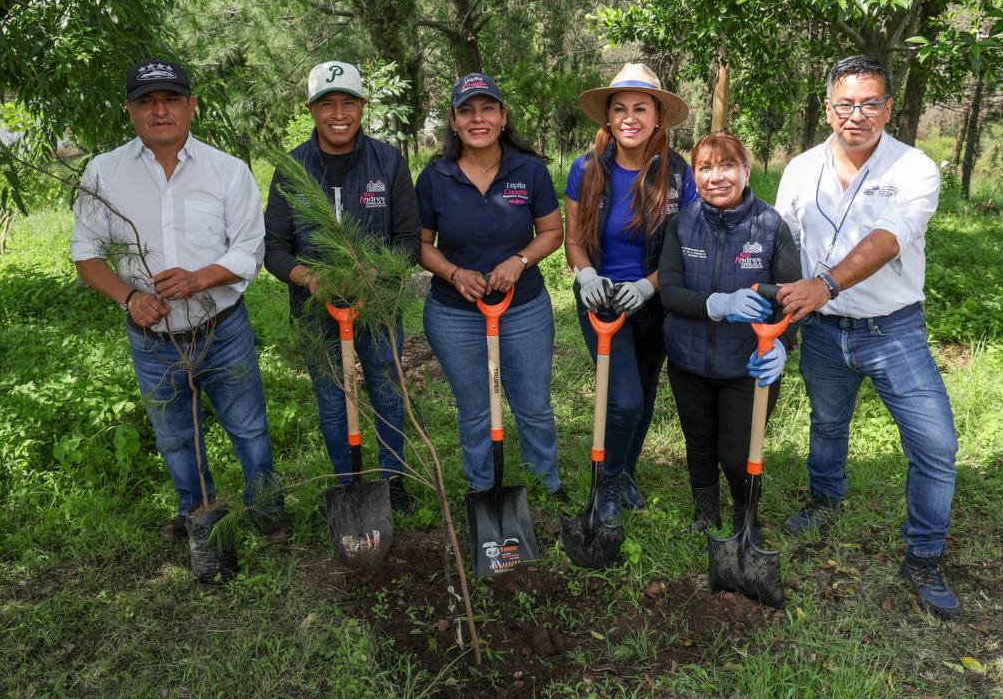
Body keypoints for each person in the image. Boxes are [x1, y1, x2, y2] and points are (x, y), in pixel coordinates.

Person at [775, 54, 961, 619]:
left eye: (870, 103)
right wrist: (777, 315)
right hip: (823, 330)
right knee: (827, 422)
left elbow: (890, 236)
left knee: (936, 446)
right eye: (845, 104)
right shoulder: (800, 168)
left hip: (893, 329)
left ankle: (924, 554)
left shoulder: (914, 168)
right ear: (826, 106)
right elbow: (783, 241)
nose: (856, 115)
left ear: (888, 108)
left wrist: (825, 284)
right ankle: (824, 500)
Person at [70, 59, 286, 543]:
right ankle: (196, 509)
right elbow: (85, 253)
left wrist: (199, 279)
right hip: (152, 339)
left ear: (191, 106)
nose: (160, 110)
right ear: (130, 111)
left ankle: (266, 508)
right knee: (173, 436)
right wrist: (129, 298)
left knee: (249, 428)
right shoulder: (103, 174)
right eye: (147, 101)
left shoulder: (227, 172)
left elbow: (250, 249)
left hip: (222, 329)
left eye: (170, 99)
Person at [263, 61, 421, 513]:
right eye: (327, 103)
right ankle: (346, 484)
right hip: (317, 313)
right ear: (311, 109)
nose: (338, 113)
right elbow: (275, 248)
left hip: (379, 308)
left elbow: (408, 239)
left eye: (347, 102)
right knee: (333, 401)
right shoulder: (292, 168)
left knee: (387, 392)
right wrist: (309, 278)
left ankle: (394, 482)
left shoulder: (388, 161)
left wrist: (375, 270)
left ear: (362, 107)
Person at [415, 73, 566, 499]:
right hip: (453, 313)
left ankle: (545, 481)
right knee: (475, 408)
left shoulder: (529, 171)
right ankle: (483, 488)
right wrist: (454, 273)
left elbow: (552, 231)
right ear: (454, 121)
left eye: (487, 109)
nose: (477, 119)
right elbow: (421, 245)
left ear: (502, 117)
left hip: (523, 308)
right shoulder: (434, 178)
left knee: (533, 404)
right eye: (467, 111)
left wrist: (519, 262)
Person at [565, 62, 697, 526]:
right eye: (620, 108)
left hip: (654, 302)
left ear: (658, 116)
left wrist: (650, 285)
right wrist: (584, 276)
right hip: (602, 302)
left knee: (641, 392)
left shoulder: (679, 175)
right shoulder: (585, 170)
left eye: (641, 108)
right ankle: (607, 481)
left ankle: (625, 473)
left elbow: (686, 248)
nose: (629, 117)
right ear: (608, 117)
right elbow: (574, 239)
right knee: (624, 399)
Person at [659, 132, 801, 536]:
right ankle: (706, 515)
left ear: (746, 171)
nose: (716, 177)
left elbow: (791, 298)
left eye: (726, 166)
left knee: (737, 456)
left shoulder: (771, 227)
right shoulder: (680, 225)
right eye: (705, 168)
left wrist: (782, 343)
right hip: (688, 362)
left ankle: (745, 518)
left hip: (748, 367)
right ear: (694, 176)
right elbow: (669, 292)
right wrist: (717, 304)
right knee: (699, 444)